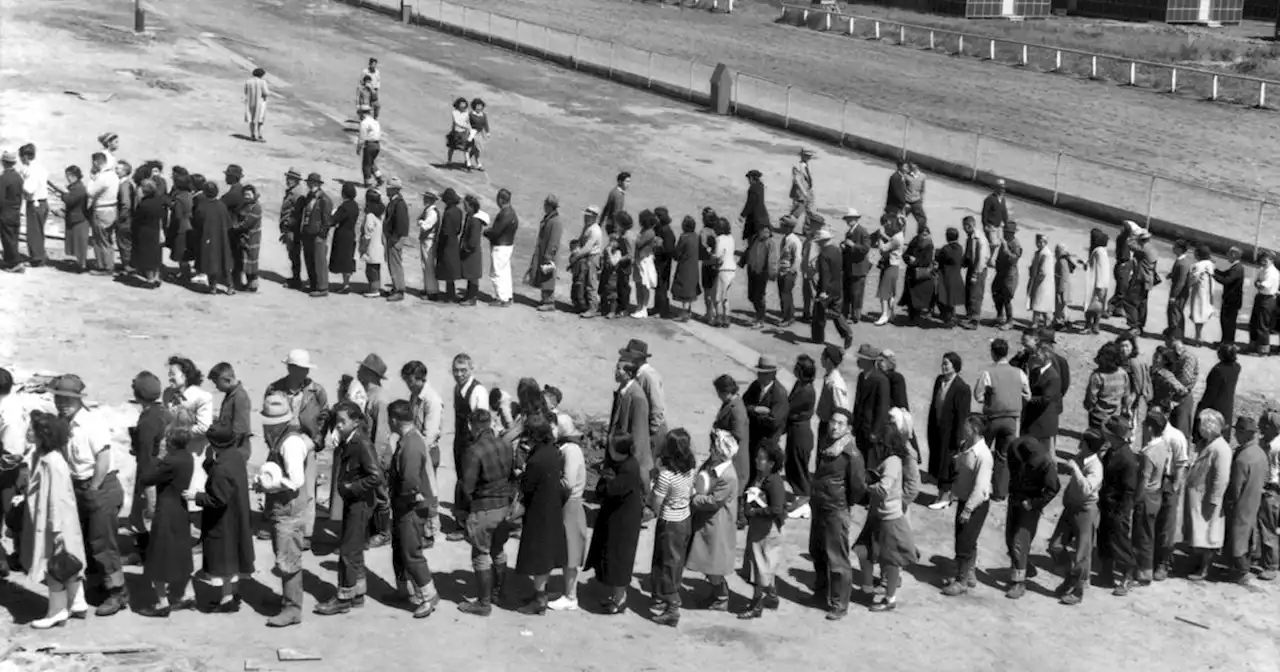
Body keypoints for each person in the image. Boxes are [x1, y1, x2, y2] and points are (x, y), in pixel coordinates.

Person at [48, 375, 128, 616]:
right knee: (84, 540)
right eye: (59, 398)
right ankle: (98, 586)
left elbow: (102, 459)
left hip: (100, 486)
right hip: (79, 486)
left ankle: (117, 593)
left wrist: (93, 488)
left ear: (79, 400)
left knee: (103, 544)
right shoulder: (63, 422)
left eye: (68, 399)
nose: (62, 403)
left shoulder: (91, 424)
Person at [20, 412, 89, 628]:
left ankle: (56, 612)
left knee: (54, 564)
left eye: (31, 429)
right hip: (55, 520)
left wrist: (56, 529)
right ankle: (77, 602)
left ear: (43, 434)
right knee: (69, 562)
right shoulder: (44, 457)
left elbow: (57, 499)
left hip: (55, 523)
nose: (27, 432)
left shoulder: (52, 463)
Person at [314, 401, 381, 615]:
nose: (339, 426)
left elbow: (375, 476)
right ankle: (358, 593)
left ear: (356, 421)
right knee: (356, 549)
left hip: (360, 503)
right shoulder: (349, 440)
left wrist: (352, 487)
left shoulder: (361, 443)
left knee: (347, 551)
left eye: (343, 421)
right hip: (354, 502)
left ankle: (343, 598)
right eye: (337, 422)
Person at [263, 350, 329, 549]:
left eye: (305, 369)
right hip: (279, 439)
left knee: (307, 488)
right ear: (290, 368)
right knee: (275, 480)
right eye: (299, 368)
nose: (303, 372)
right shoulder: (274, 389)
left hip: (306, 440)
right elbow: (267, 416)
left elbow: (325, 416)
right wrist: (271, 442)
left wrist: (316, 441)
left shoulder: (317, 391)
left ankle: (306, 531)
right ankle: (272, 522)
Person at [254, 394, 309, 627]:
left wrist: (268, 484)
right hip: (281, 508)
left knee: (288, 558)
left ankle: (292, 609)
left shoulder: (290, 444)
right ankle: (287, 601)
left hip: (289, 509)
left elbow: (295, 481)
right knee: (283, 555)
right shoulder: (281, 439)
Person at [455, 407, 515, 617]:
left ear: (473, 426)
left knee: (480, 554)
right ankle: (498, 592)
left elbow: (467, 486)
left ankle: (484, 603)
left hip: (484, 509)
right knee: (498, 550)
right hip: (505, 507)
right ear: (490, 423)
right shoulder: (506, 445)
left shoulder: (474, 450)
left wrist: (463, 511)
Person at [189, 422, 253, 614]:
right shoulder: (235, 457)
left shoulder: (221, 468)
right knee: (233, 559)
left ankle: (227, 601)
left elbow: (217, 499)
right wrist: (209, 462)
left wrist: (196, 496)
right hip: (237, 517)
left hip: (222, 523)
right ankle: (233, 594)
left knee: (224, 563)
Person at [386, 400, 441, 618]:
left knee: (411, 553)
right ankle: (407, 590)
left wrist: (398, 498)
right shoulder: (411, 439)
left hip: (411, 508)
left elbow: (409, 482)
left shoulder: (410, 446)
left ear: (393, 420)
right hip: (408, 506)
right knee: (401, 549)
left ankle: (429, 596)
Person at [809, 409, 866, 620]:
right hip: (819, 505)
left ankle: (839, 604)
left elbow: (858, 486)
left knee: (837, 559)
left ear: (848, 428)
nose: (834, 426)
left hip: (836, 509)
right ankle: (820, 592)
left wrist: (843, 502)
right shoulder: (826, 445)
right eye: (833, 421)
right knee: (817, 550)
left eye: (840, 423)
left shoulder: (851, 454)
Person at [856, 424, 919, 612]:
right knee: (863, 549)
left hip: (889, 520)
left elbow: (883, 489)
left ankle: (890, 599)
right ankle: (868, 588)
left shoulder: (892, 461)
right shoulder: (889, 460)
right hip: (880, 516)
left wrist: (865, 486)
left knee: (890, 561)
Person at [511, 414, 567, 615]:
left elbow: (528, 486)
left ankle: (539, 598)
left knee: (538, 557)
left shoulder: (537, 460)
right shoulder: (553, 452)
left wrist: (521, 475)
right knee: (545, 555)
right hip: (551, 509)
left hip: (538, 513)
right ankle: (539, 594)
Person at [1047, 427, 1104, 605]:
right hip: (1071, 508)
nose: (1079, 443)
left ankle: (1077, 590)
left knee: (1082, 553)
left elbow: (1087, 489)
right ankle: (1070, 577)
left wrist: (1076, 470)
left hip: (1085, 512)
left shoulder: (1096, 467)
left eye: (1082, 441)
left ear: (1088, 445)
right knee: (1055, 545)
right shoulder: (1079, 458)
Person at [687, 428, 740, 612]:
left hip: (718, 526)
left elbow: (714, 501)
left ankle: (722, 597)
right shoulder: (714, 464)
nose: (710, 449)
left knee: (714, 565)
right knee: (708, 562)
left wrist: (693, 498)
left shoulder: (728, 476)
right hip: (709, 523)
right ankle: (716, 594)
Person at [648, 429, 696, 626]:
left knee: (666, 563)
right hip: (685, 518)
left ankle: (673, 607)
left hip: (669, 522)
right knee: (675, 562)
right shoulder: (690, 469)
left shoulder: (666, 475)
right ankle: (665, 599)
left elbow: (656, 502)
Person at [941, 414, 992, 597]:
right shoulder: (966, 446)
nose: (964, 429)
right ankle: (968, 572)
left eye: (967, 427)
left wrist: (968, 510)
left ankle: (961, 580)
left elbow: (980, 488)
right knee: (967, 538)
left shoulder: (984, 456)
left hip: (975, 504)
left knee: (964, 541)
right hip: (964, 500)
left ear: (975, 430)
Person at [974, 338, 1030, 501]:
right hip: (1012, 420)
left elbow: (978, 395)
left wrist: (990, 400)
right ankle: (1000, 493)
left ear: (993, 353)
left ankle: (978, 486)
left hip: (992, 417)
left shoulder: (988, 373)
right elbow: (1027, 395)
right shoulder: (1019, 373)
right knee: (1003, 456)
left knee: (982, 452)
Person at [1004, 435, 1060, 599]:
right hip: (1015, 499)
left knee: (1019, 542)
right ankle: (1024, 567)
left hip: (1030, 505)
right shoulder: (1014, 449)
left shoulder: (1045, 462)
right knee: (1009, 539)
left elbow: (1053, 488)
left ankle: (1018, 583)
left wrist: (1035, 503)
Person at [738, 441, 786, 620]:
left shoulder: (774, 482)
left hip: (767, 532)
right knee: (763, 565)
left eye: (762, 459)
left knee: (760, 566)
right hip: (758, 529)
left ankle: (756, 605)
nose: (758, 461)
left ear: (771, 463)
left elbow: (777, 509)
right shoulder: (760, 476)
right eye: (758, 457)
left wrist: (755, 511)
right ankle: (772, 596)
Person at [1183, 409, 1232, 581]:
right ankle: (1196, 564)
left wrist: (1214, 499)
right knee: (1200, 533)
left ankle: (1204, 568)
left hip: (1208, 499)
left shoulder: (1221, 449)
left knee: (1209, 536)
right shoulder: (1207, 444)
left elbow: (1221, 478)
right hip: (1199, 497)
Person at [549, 414, 589, 612]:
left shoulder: (571, 451)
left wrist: (548, 482)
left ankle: (571, 596)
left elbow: (568, 482)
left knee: (571, 552)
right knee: (567, 551)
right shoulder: (567, 448)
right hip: (568, 505)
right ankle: (567, 592)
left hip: (570, 505)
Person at [1097, 416, 1140, 596]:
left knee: (1119, 541)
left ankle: (1129, 575)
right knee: (1104, 539)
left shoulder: (1127, 459)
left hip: (1118, 508)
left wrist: (1120, 510)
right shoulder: (1112, 452)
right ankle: (1106, 573)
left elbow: (1129, 490)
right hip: (1107, 504)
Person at [742, 356, 789, 519]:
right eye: (759, 373)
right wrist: (757, 410)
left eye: (763, 373)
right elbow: (744, 405)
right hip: (753, 439)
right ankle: (745, 510)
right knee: (749, 474)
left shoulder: (779, 394)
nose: (759, 377)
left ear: (772, 374)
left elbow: (774, 422)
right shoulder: (755, 387)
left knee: (762, 477)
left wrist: (756, 415)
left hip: (767, 444)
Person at [449, 353, 488, 542]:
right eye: (456, 370)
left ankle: (466, 526)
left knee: (468, 484)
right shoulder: (457, 389)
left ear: (471, 369)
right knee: (462, 481)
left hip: (472, 444)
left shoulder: (478, 391)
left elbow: (482, 422)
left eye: (463, 370)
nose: (459, 374)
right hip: (460, 442)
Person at [1225, 415, 1268, 585]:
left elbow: (1235, 488)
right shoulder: (1260, 453)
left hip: (1241, 503)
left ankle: (1241, 572)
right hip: (1255, 500)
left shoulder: (1242, 458)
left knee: (1238, 538)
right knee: (1249, 534)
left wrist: (1229, 504)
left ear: (1244, 433)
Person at [927, 352, 972, 509]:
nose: (944, 366)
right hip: (938, 429)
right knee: (939, 462)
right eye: (943, 363)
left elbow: (962, 416)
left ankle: (945, 496)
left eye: (947, 364)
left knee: (947, 464)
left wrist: (960, 437)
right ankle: (942, 494)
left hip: (951, 432)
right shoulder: (940, 381)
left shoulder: (962, 388)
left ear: (955, 366)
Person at [784, 356, 817, 519]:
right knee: (790, 464)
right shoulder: (800, 384)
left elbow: (789, 407)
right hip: (794, 430)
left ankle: (804, 500)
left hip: (800, 431)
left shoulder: (807, 390)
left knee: (798, 466)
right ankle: (800, 497)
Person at [813, 224, 853, 348]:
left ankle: (818, 338)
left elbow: (825, 274)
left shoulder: (823, 255)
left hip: (827, 288)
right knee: (836, 313)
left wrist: (823, 291)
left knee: (819, 313)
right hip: (838, 286)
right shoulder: (836, 250)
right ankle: (847, 332)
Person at [48, 165, 90, 272]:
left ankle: (82, 265)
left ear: (73, 176)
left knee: (80, 245)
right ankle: (80, 264)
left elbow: (70, 200)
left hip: (79, 219)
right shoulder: (77, 186)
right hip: (76, 218)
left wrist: (61, 194)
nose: (67, 178)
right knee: (78, 244)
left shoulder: (79, 188)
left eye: (68, 176)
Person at [1082, 342, 1131, 432]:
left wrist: (1090, 408)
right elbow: (1126, 396)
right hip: (1115, 417)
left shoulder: (1098, 376)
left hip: (1098, 417)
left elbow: (1091, 398)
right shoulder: (1123, 374)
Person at [299, 172, 334, 298]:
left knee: (319, 261)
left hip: (317, 234)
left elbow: (327, 220)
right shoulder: (310, 197)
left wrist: (322, 234)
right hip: (308, 232)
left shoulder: (324, 199)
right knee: (309, 259)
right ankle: (314, 284)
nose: (308, 185)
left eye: (310, 182)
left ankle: (322, 287)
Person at [1196, 344, 1241, 439]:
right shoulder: (1236, 367)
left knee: (1212, 431)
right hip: (1227, 403)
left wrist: (1202, 407)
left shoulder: (1218, 371)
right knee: (1224, 429)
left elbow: (1211, 393)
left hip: (1215, 406)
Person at [85, 152, 119, 275]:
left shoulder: (103, 177)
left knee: (100, 240)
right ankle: (109, 264)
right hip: (112, 208)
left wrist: (92, 179)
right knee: (108, 239)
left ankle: (104, 266)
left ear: (95, 162)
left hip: (101, 209)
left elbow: (90, 192)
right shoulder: (113, 175)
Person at [741, 214, 777, 328]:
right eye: (761, 229)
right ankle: (758, 316)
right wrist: (742, 262)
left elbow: (772, 260)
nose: (762, 231)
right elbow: (748, 251)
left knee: (759, 296)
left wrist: (772, 274)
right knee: (751, 295)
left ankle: (760, 319)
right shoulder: (755, 238)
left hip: (762, 273)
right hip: (752, 270)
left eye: (764, 229)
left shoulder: (770, 243)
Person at [529, 194, 564, 312]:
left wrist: (549, 255)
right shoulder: (550, 218)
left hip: (549, 254)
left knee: (548, 277)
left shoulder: (556, 221)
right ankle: (545, 299)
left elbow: (554, 240)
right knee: (544, 276)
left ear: (550, 206)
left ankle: (549, 302)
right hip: (544, 251)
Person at [484, 188, 518, 307]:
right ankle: (507, 296)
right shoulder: (512, 212)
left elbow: (496, 231)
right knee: (505, 272)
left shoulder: (505, 213)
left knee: (496, 273)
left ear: (501, 200)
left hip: (500, 246)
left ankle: (501, 298)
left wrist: (486, 232)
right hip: (508, 245)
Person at [1256, 410, 1280, 581]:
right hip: (1270, 489)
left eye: (1265, 424)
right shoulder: (1269, 442)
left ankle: (1271, 565)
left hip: (1271, 490)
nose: (1261, 427)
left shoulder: (1274, 447)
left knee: (1268, 528)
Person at [17, 144, 48, 267]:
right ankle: (40, 254)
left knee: (33, 232)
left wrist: (20, 181)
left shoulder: (31, 170)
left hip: (34, 203)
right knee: (39, 231)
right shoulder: (40, 167)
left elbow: (29, 189)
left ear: (25, 156)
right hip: (43, 202)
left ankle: (36, 258)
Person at [900, 224, 936, 325]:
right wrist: (909, 260)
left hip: (921, 275)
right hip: (911, 273)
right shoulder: (914, 241)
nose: (924, 236)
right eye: (922, 234)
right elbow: (905, 254)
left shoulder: (929, 245)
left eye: (926, 234)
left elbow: (927, 261)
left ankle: (917, 317)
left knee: (919, 296)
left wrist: (915, 261)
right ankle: (911, 317)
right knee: (910, 296)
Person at [382, 178, 411, 302]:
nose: (386, 189)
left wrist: (394, 238)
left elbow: (401, 224)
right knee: (392, 263)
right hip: (393, 237)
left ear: (394, 189)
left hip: (396, 238)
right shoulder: (395, 202)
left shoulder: (399, 204)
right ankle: (396, 287)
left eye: (388, 188)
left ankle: (399, 290)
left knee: (395, 264)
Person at [873, 215, 904, 326]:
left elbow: (883, 248)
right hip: (894, 266)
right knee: (890, 293)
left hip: (890, 266)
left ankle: (884, 315)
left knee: (884, 292)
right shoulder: (899, 235)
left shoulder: (896, 238)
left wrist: (880, 237)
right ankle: (891, 314)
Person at [329, 183, 360, 293]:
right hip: (351, 234)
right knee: (348, 259)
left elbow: (334, 220)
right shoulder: (355, 205)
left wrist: (332, 215)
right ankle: (346, 284)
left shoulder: (344, 207)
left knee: (343, 260)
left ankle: (345, 285)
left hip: (342, 235)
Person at [991, 222, 1023, 329]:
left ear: (1011, 233)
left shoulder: (1015, 244)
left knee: (1006, 298)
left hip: (1009, 275)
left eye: (1006, 232)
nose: (1004, 233)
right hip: (1001, 273)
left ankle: (1009, 321)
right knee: (996, 293)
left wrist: (1006, 250)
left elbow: (1014, 259)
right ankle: (1000, 316)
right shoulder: (1005, 241)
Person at [278, 168, 306, 288]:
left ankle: (296, 280)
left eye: (291, 178)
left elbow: (298, 213)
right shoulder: (292, 191)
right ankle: (295, 278)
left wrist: (289, 225)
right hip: (289, 227)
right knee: (292, 254)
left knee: (294, 254)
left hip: (292, 228)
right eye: (288, 178)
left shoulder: (297, 193)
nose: (288, 180)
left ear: (296, 180)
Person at [1213, 246, 1245, 346]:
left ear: (1234, 255)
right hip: (1230, 299)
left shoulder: (1237, 268)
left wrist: (1213, 275)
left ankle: (1228, 343)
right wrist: (1214, 270)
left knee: (1228, 322)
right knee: (1224, 321)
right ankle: (1224, 342)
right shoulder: (1235, 267)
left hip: (1232, 300)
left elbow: (1226, 280)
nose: (1227, 255)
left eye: (1229, 253)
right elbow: (1224, 274)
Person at [459, 194, 485, 306]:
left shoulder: (475, 221)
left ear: (471, 206)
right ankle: (469, 296)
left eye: (465, 205)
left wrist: (466, 248)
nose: (464, 207)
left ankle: (472, 298)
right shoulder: (470, 217)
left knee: (473, 276)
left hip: (472, 253)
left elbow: (473, 240)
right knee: (470, 276)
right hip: (470, 252)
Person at [359, 189, 386, 297]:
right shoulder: (379, 215)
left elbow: (367, 234)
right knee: (376, 268)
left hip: (371, 246)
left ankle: (374, 290)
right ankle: (376, 287)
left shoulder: (370, 216)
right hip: (379, 246)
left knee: (371, 270)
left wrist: (362, 248)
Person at [1187, 245, 1216, 344]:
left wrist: (1187, 286)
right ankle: (1198, 335)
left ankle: (1198, 337)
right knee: (1203, 312)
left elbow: (1193, 279)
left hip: (1199, 291)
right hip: (1209, 292)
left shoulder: (1197, 265)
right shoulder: (1211, 264)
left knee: (1197, 312)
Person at [416, 190, 442, 300]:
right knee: (425, 265)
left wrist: (421, 222)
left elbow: (425, 226)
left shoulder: (432, 213)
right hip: (426, 240)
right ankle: (428, 288)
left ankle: (432, 291)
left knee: (429, 266)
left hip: (429, 241)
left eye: (426, 198)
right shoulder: (429, 210)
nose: (424, 199)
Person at [1083, 228, 1111, 334]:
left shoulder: (1099, 252)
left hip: (1098, 283)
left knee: (1093, 305)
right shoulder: (1101, 250)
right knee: (1096, 305)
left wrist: (1100, 285)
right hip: (1099, 282)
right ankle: (1093, 325)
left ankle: (1092, 325)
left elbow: (1102, 269)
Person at [1166, 239, 1193, 341]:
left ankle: (1176, 334)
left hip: (1179, 293)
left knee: (1175, 312)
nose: (1173, 248)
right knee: (1173, 311)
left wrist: (1174, 295)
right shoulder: (1181, 260)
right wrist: (1171, 275)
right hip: (1180, 291)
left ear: (1180, 249)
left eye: (1175, 247)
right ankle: (1173, 331)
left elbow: (1181, 282)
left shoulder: (1182, 263)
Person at [740, 169, 769, 242]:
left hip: (754, 217)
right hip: (763, 215)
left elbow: (750, 204)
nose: (748, 181)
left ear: (752, 178)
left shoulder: (753, 189)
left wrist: (742, 215)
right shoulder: (760, 186)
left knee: (751, 235)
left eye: (749, 178)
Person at [243, 67, 270, 142]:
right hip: (260, 103)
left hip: (250, 102)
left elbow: (245, 91)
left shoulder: (248, 82)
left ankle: (252, 134)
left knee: (251, 119)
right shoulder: (262, 82)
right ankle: (259, 135)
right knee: (260, 119)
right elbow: (266, 93)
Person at [446, 97, 473, 168]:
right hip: (455, 132)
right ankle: (449, 161)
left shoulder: (466, 112)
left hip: (464, 133)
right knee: (452, 147)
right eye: (461, 104)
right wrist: (465, 126)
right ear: (458, 105)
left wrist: (470, 128)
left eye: (464, 104)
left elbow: (468, 121)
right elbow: (456, 121)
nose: (462, 105)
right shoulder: (454, 112)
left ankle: (468, 163)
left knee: (466, 148)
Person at [789, 148, 815, 219]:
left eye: (809, 156)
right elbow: (797, 180)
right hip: (799, 191)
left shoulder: (805, 165)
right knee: (797, 207)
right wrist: (804, 193)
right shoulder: (797, 166)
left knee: (804, 208)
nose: (808, 158)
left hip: (805, 190)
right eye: (806, 156)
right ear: (802, 156)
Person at [467, 98, 491, 171]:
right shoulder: (471, 114)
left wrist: (487, 132)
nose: (479, 107)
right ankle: (479, 164)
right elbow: (467, 123)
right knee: (477, 148)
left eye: (480, 106)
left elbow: (485, 124)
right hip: (472, 133)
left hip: (480, 134)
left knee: (475, 149)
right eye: (478, 105)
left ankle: (467, 160)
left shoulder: (483, 115)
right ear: (474, 106)